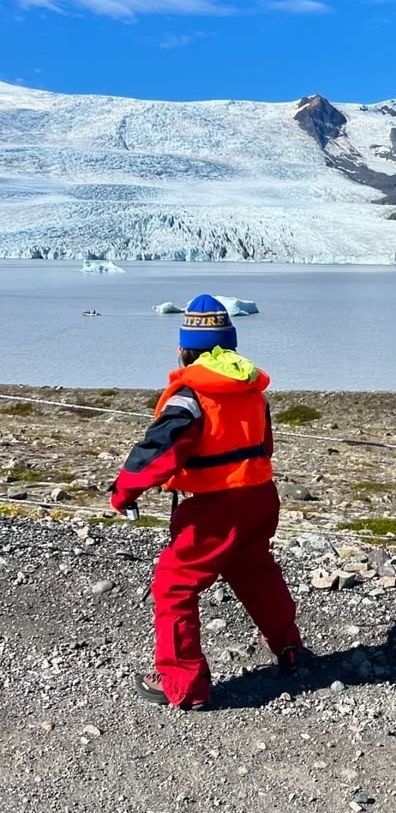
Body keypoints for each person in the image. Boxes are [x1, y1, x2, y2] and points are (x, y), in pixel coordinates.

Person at [111, 294, 304, 709]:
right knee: (255, 571)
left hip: (216, 505)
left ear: (184, 349)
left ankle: (182, 684)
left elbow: (160, 451)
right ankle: (290, 647)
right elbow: (264, 445)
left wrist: (124, 491)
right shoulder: (252, 389)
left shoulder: (190, 396)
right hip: (259, 496)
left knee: (174, 585)